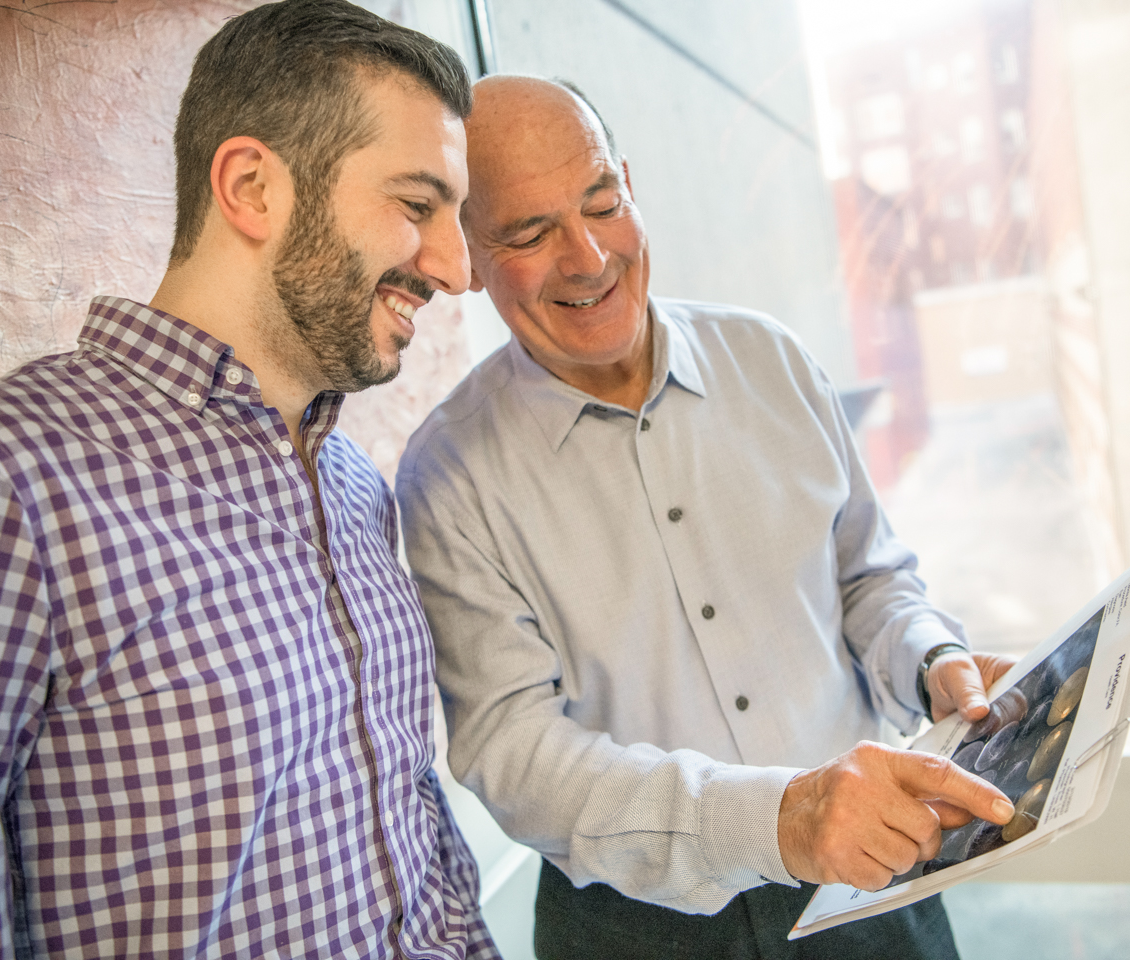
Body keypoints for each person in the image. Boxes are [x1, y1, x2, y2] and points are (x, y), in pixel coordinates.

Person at [0, 3, 499, 957]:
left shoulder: (352, 487)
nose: (458, 269)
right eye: (418, 207)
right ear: (251, 187)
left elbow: (411, 828)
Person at [396, 75, 1017, 959]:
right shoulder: (446, 476)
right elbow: (514, 749)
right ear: (465, 254)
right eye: (530, 234)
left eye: (602, 203)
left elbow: (871, 580)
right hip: (629, 927)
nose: (587, 256)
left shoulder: (773, 360)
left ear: (632, 188)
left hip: (872, 881)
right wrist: (775, 820)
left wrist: (933, 661)